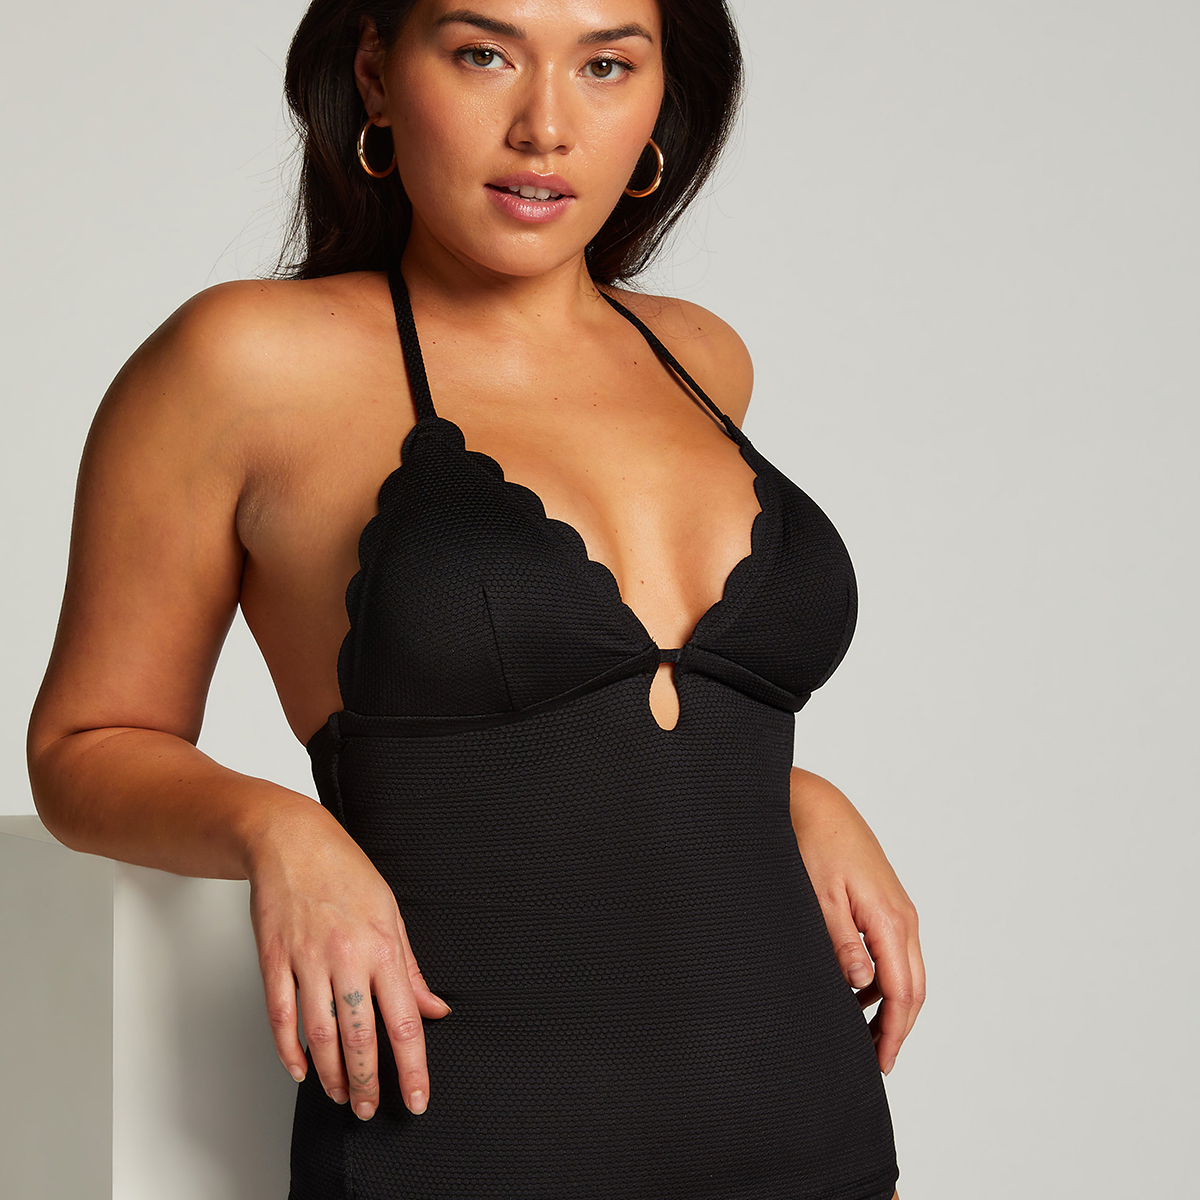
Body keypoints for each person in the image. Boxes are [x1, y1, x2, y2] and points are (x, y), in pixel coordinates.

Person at [27, 1, 924, 1196]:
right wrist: (281, 831)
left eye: (607, 65)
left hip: (808, 1123)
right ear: (377, 73)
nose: (545, 124)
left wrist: (793, 791)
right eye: (484, 53)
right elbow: (84, 746)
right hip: (463, 1138)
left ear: (662, 99)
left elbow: (636, 721)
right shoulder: (242, 363)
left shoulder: (702, 358)